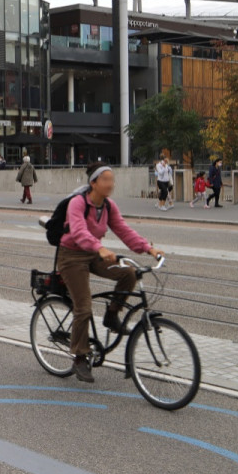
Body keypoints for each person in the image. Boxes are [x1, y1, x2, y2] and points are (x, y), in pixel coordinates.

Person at [58, 162, 165, 383]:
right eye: (105, 180)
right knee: (84, 306)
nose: (110, 184)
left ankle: (111, 315)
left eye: (112, 180)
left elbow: (123, 230)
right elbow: (78, 232)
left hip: (95, 253)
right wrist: (100, 247)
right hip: (71, 256)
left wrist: (148, 248)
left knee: (129, 273)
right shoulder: (78, 203)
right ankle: (79, 356)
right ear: (93, 183)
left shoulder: (108, 206)